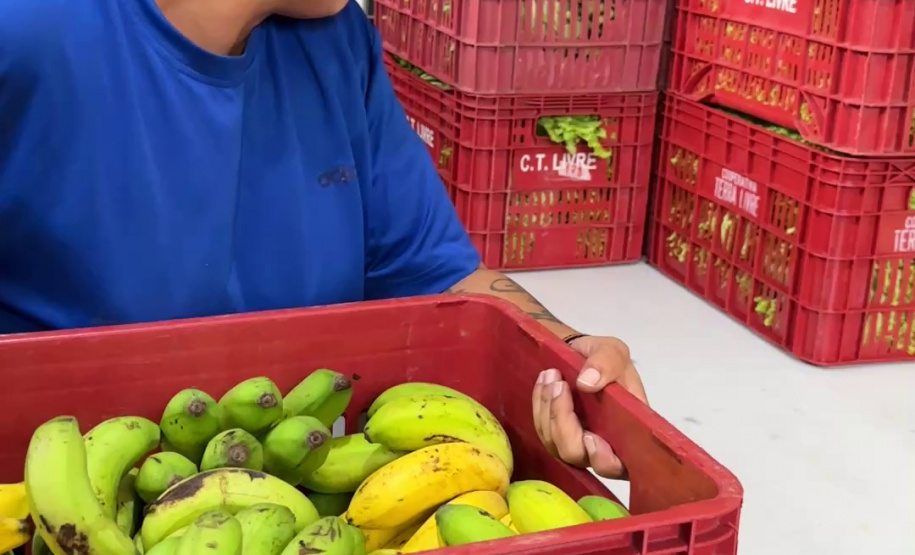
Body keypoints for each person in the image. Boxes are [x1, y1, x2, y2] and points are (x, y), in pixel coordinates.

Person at [0, 0, 646, 478]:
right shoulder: (26, 36)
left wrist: (569, 354)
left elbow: (434, 273)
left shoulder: (334, 42)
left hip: (300, 496)